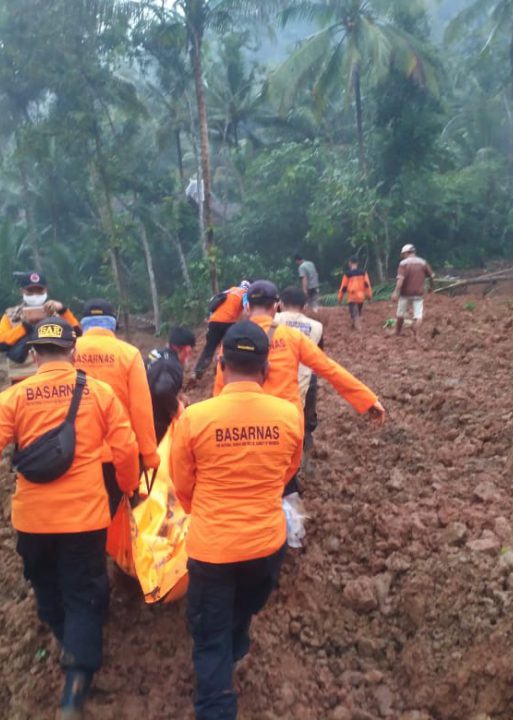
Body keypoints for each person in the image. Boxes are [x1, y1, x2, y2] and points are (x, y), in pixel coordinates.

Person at [0, 317, 139, 720]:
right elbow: (125, 450)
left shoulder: (13, 399)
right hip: (84, 519)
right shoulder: (100, 393)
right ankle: (75, 686)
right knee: (84, 595)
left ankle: (65, 639)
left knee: (47, 589)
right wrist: (129, 487)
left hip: (33, 522)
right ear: (73, 353)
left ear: (35, 354)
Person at [170, 320, 303, 720]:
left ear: (222, 364)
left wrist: (206, 512)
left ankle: (216, 705)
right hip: (265, 546)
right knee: (242, 609)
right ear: (266, 369)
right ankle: (238, 640)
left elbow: (181, 483)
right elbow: (285, 474)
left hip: (212, 549)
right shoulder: (289, 415)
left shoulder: (195, 417)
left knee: (209, 639)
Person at [213, 281, 386, 498]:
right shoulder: (292, 337)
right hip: (285, 426)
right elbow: (329, 368)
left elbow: (219, 391)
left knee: (251, 480)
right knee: (285, 481)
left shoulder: (232, 341)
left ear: (247, 306)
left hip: (245, 427)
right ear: (275, 306)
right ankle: (287, 518)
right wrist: (368, 400)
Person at [74, 299, 159, 472]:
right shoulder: (129, 354)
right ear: (113, 324)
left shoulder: (66, 352)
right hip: (119, 454)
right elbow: (140, 409)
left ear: (83, 325)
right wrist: (149, 453)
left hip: (73, 454)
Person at [0, 272, 81, 384]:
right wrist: (24, 328)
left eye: (39, 291)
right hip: (22, 379)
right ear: (22, 291)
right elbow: (0, 344)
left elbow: (78, 334)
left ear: (46, 291)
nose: (35, 295)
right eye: (30, 291)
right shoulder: (11, 315)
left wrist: (63, 310)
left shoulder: (58, 314)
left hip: (55, 378)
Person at [275, 287, 323, 453]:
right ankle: (307, 437)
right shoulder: (316, 326)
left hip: (277, 378)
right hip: (305, 378)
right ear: (304, 307)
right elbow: (318, 357)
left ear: (280, 304)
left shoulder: (272, 320)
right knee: (307, 408)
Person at [145, 326, 196, 442]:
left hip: (139, 413)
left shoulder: (155, 354)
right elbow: (162, 389)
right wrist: (177, 407)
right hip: (156, 422)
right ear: (187, 350)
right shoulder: (172, 365)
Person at [192, 280, 250, 381]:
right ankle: (219, 370)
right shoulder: (245, 293)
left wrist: (209, 317)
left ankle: (198, 371)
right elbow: (246, 307)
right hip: (228, 322)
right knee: (227, 347)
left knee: (209, 348)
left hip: (214, 321)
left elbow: (213, 301)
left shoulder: (229, 290)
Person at [391, 244, 434, 338]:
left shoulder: (403, 264)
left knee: (400, 313)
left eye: (403, 254)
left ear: (406, 253)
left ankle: (397, 332)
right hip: (418, 293)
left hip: (405, 293)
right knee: (418, 315)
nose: (403, 256)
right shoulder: (423, 262)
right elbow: (431, 276)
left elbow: (400, 280)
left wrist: (396, 292)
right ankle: (416, 333)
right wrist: (431, 287)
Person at [337, 257, 373, 330]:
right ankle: (354, 327)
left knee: (354, 314)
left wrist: (340, 298)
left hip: (352, 298)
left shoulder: (347, 274)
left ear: (350, 263)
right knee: (357, 314)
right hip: (361, 298)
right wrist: (369, 296)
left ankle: (359, 330)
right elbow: (367, 285)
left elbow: (343, 287)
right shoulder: (363, 272)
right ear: (357, 263)